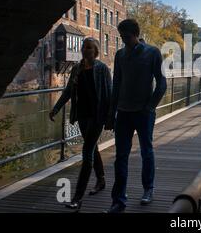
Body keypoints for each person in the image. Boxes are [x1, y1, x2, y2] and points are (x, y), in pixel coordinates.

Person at [105, 19, 166, 213]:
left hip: (143, 113)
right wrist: (111, 113)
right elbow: (116, 84)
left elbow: (162, 82)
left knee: (146, 151)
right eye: (121, 37)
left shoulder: (152, 52)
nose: (123, 40)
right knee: (120, 156)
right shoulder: (120, 55)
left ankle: (148, 189)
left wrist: (150, 107)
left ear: (135, 34)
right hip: (123, 112)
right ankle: (118, 200)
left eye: (126, 37)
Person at [49, 37, 112, 211]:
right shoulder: (76, 69)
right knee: (92, 148)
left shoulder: (102, 69)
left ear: (96, 51)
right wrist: (56, 109)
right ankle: (101, 179)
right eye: (84, 47)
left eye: (90, 48)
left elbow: (110, 94)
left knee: (87, 153)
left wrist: (110, 117)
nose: (86, 50)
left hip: (97, 116)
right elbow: (68, 91)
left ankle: (78, 197)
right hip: (82, 116)